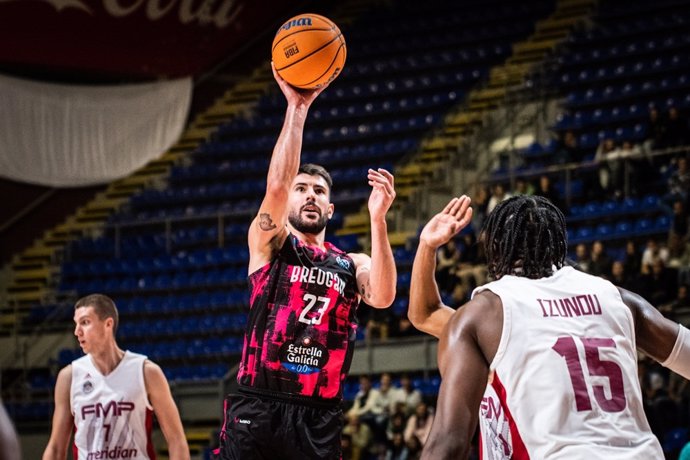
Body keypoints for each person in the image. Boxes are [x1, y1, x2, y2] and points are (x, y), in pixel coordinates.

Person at [408, 195, 690, 459]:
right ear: (558, 244)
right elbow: (427, 313)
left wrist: (428, 246)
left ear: (494, 248)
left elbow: (448, 442)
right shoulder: (617, 299)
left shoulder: (487, 316)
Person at [215, 63, 397, 460]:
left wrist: (378, 220)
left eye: (318, 190)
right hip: (260, 404)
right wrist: (297, 108)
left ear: (330, 208)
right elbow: (276, 186)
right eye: (302, 188)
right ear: (289, 200)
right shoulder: (270, 244)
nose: (310, 195)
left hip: (318, 413)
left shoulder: (351, 262)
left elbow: (382, 297)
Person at [42, 294, 189, 460]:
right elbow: (55, 448)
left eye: (85, 322)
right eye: (76, 324)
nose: (77, 332)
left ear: (108, 324)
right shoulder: (69, 376)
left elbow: (177, 440)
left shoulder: (146, 372)